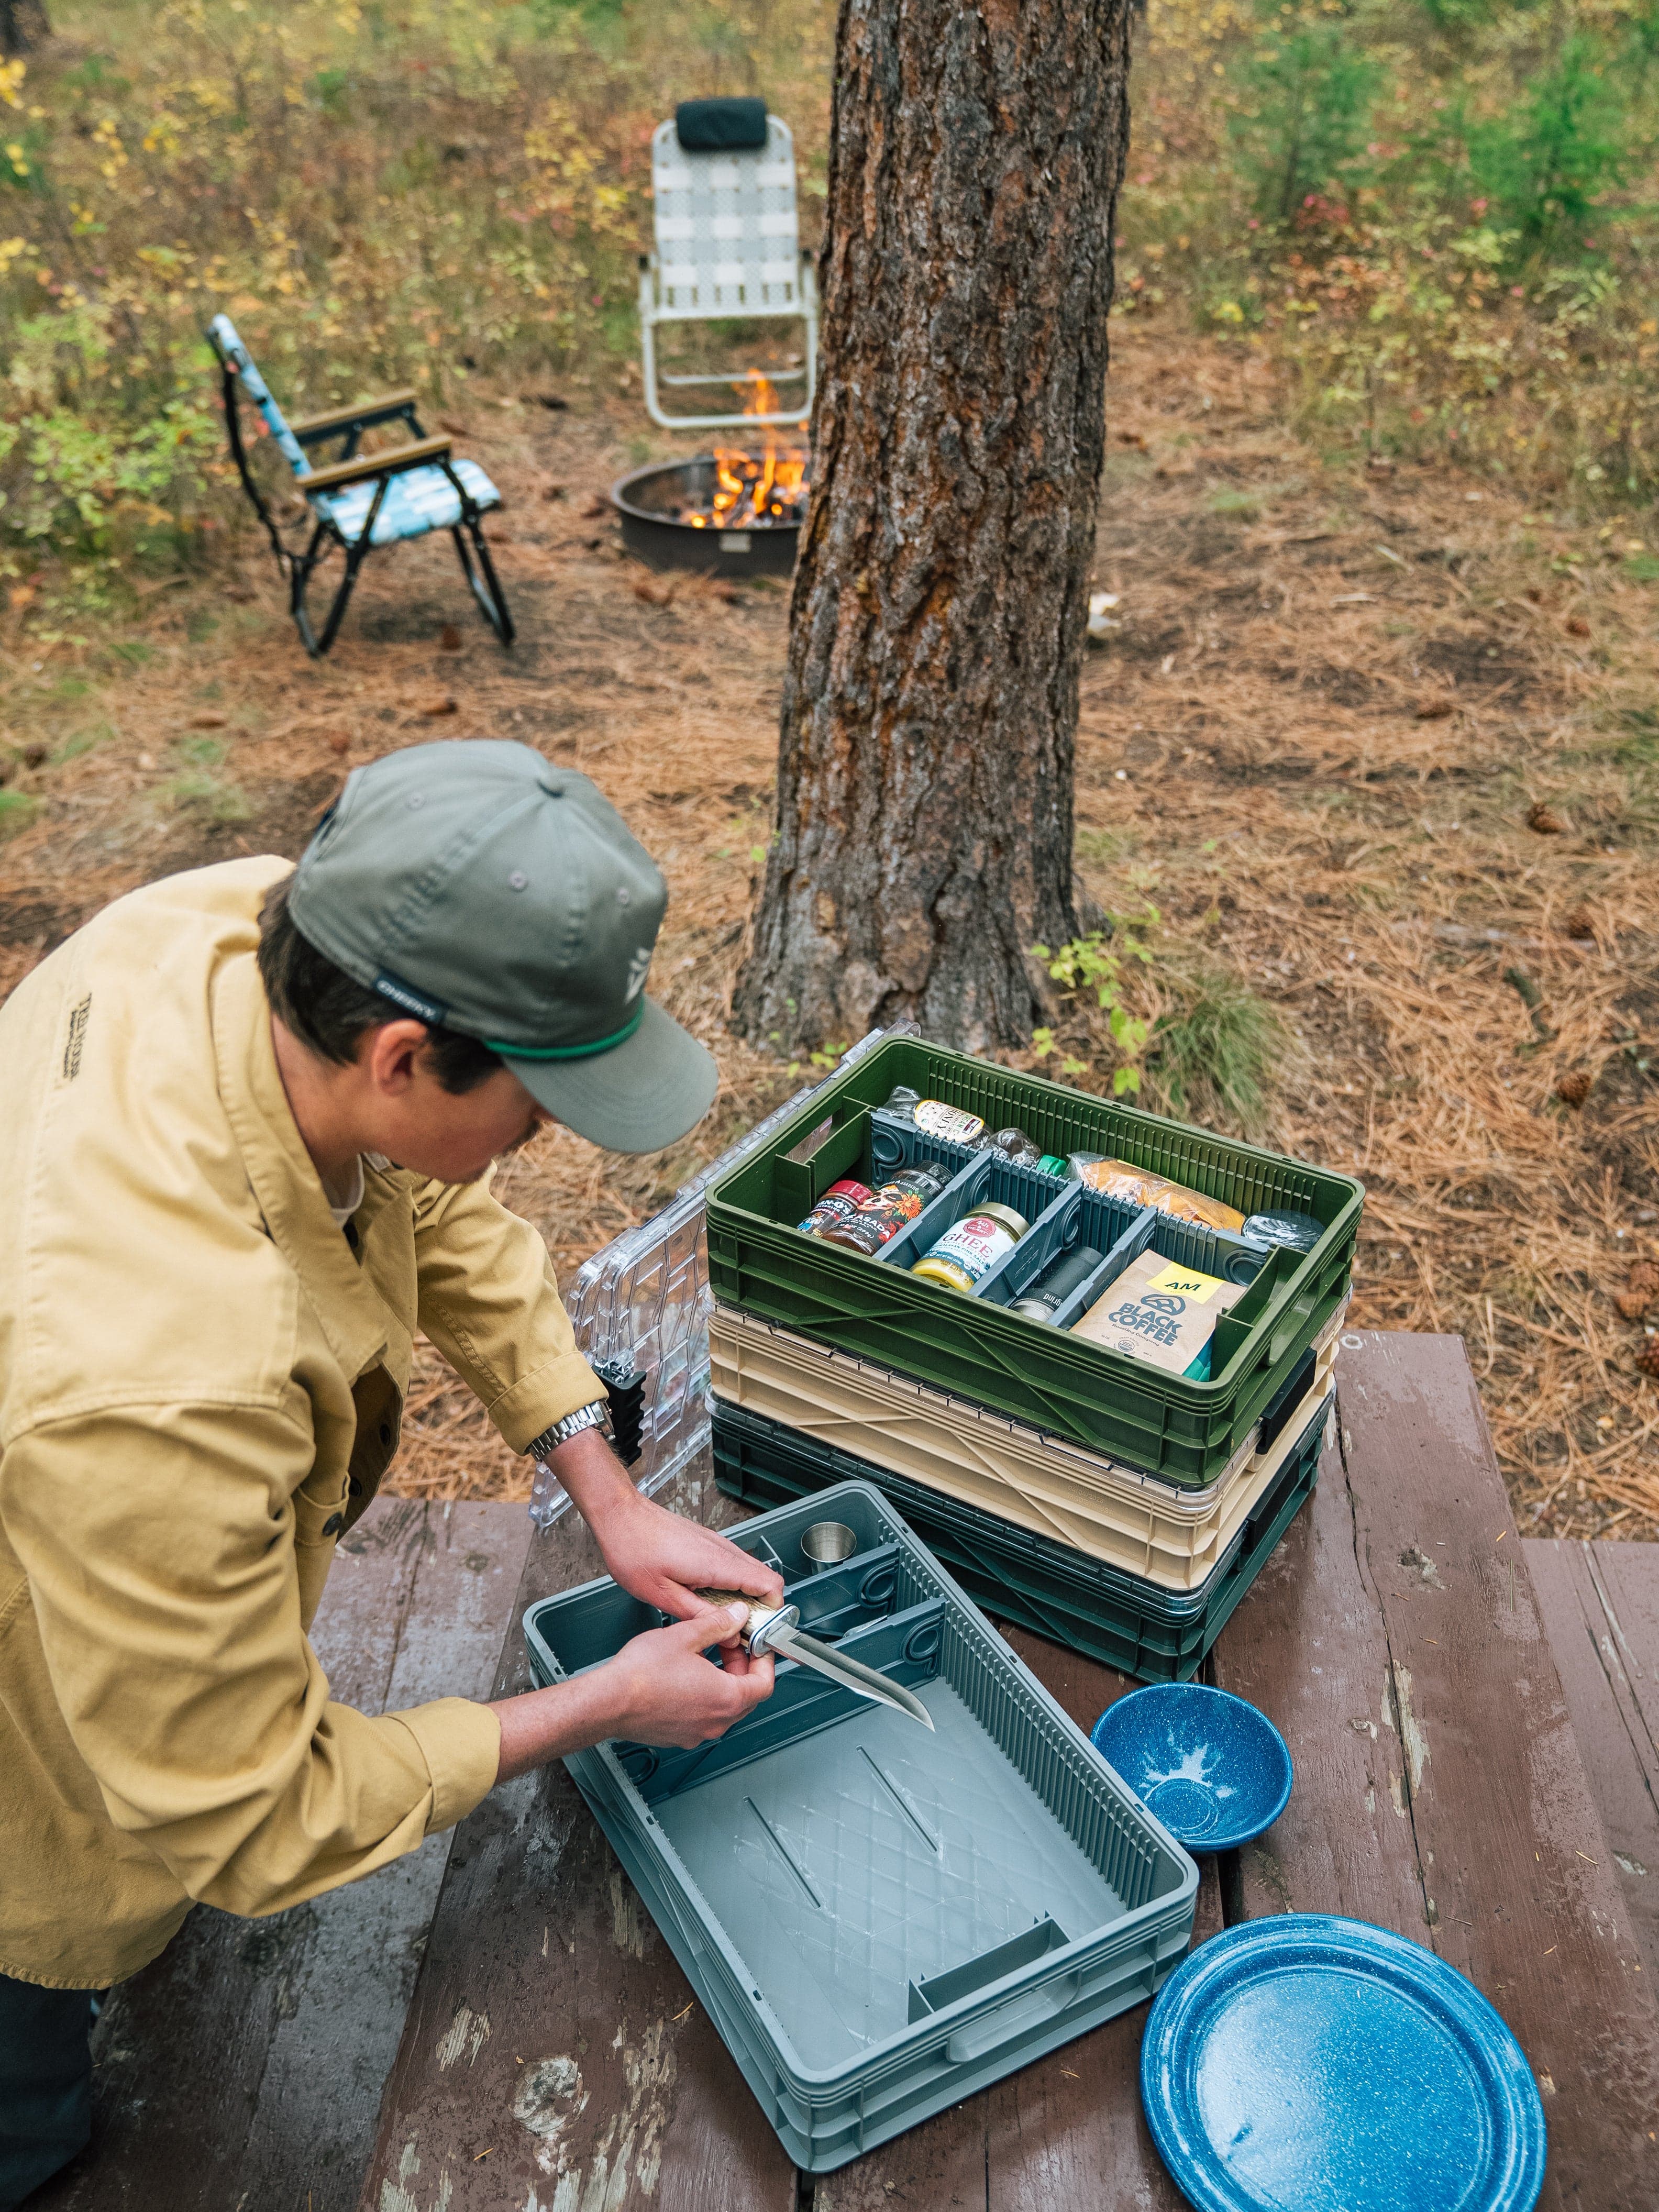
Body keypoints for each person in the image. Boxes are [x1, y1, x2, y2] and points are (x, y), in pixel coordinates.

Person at [0, 739, 783, 2207]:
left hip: (117, 1571)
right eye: (537, 1106)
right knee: (31, 2096)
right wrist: (607, 1702)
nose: (541, 1136)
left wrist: (605, 1487)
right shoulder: (166, 1385)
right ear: (406, 1055)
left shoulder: (252, 932)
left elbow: (431, 1195)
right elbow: (249, 1816)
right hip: (25, 1767)